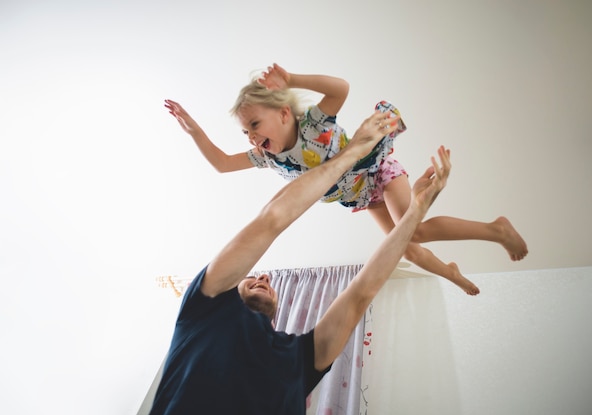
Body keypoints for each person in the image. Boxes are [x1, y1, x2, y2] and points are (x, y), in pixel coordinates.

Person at [148, 109, 451, 415]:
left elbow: (362, 292)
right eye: (255, 279)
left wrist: (414, 213)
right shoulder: (205, 308)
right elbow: (272, 219)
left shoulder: (303, 358)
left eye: (265, 280)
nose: (264, 279)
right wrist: (355, 151)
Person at [164, 64, 528, 295]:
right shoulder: (268, 157)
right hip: (360, 196)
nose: (251, 138)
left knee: (411, 230)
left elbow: (340, 89)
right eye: (245, 131)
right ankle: (452, 274)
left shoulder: (314, 125)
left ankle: (496, 229)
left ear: (284, 114)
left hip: (373, 169)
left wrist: (292, 79)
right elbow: (223, 164)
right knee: (401, 246)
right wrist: (194, 130)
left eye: (255, 125)